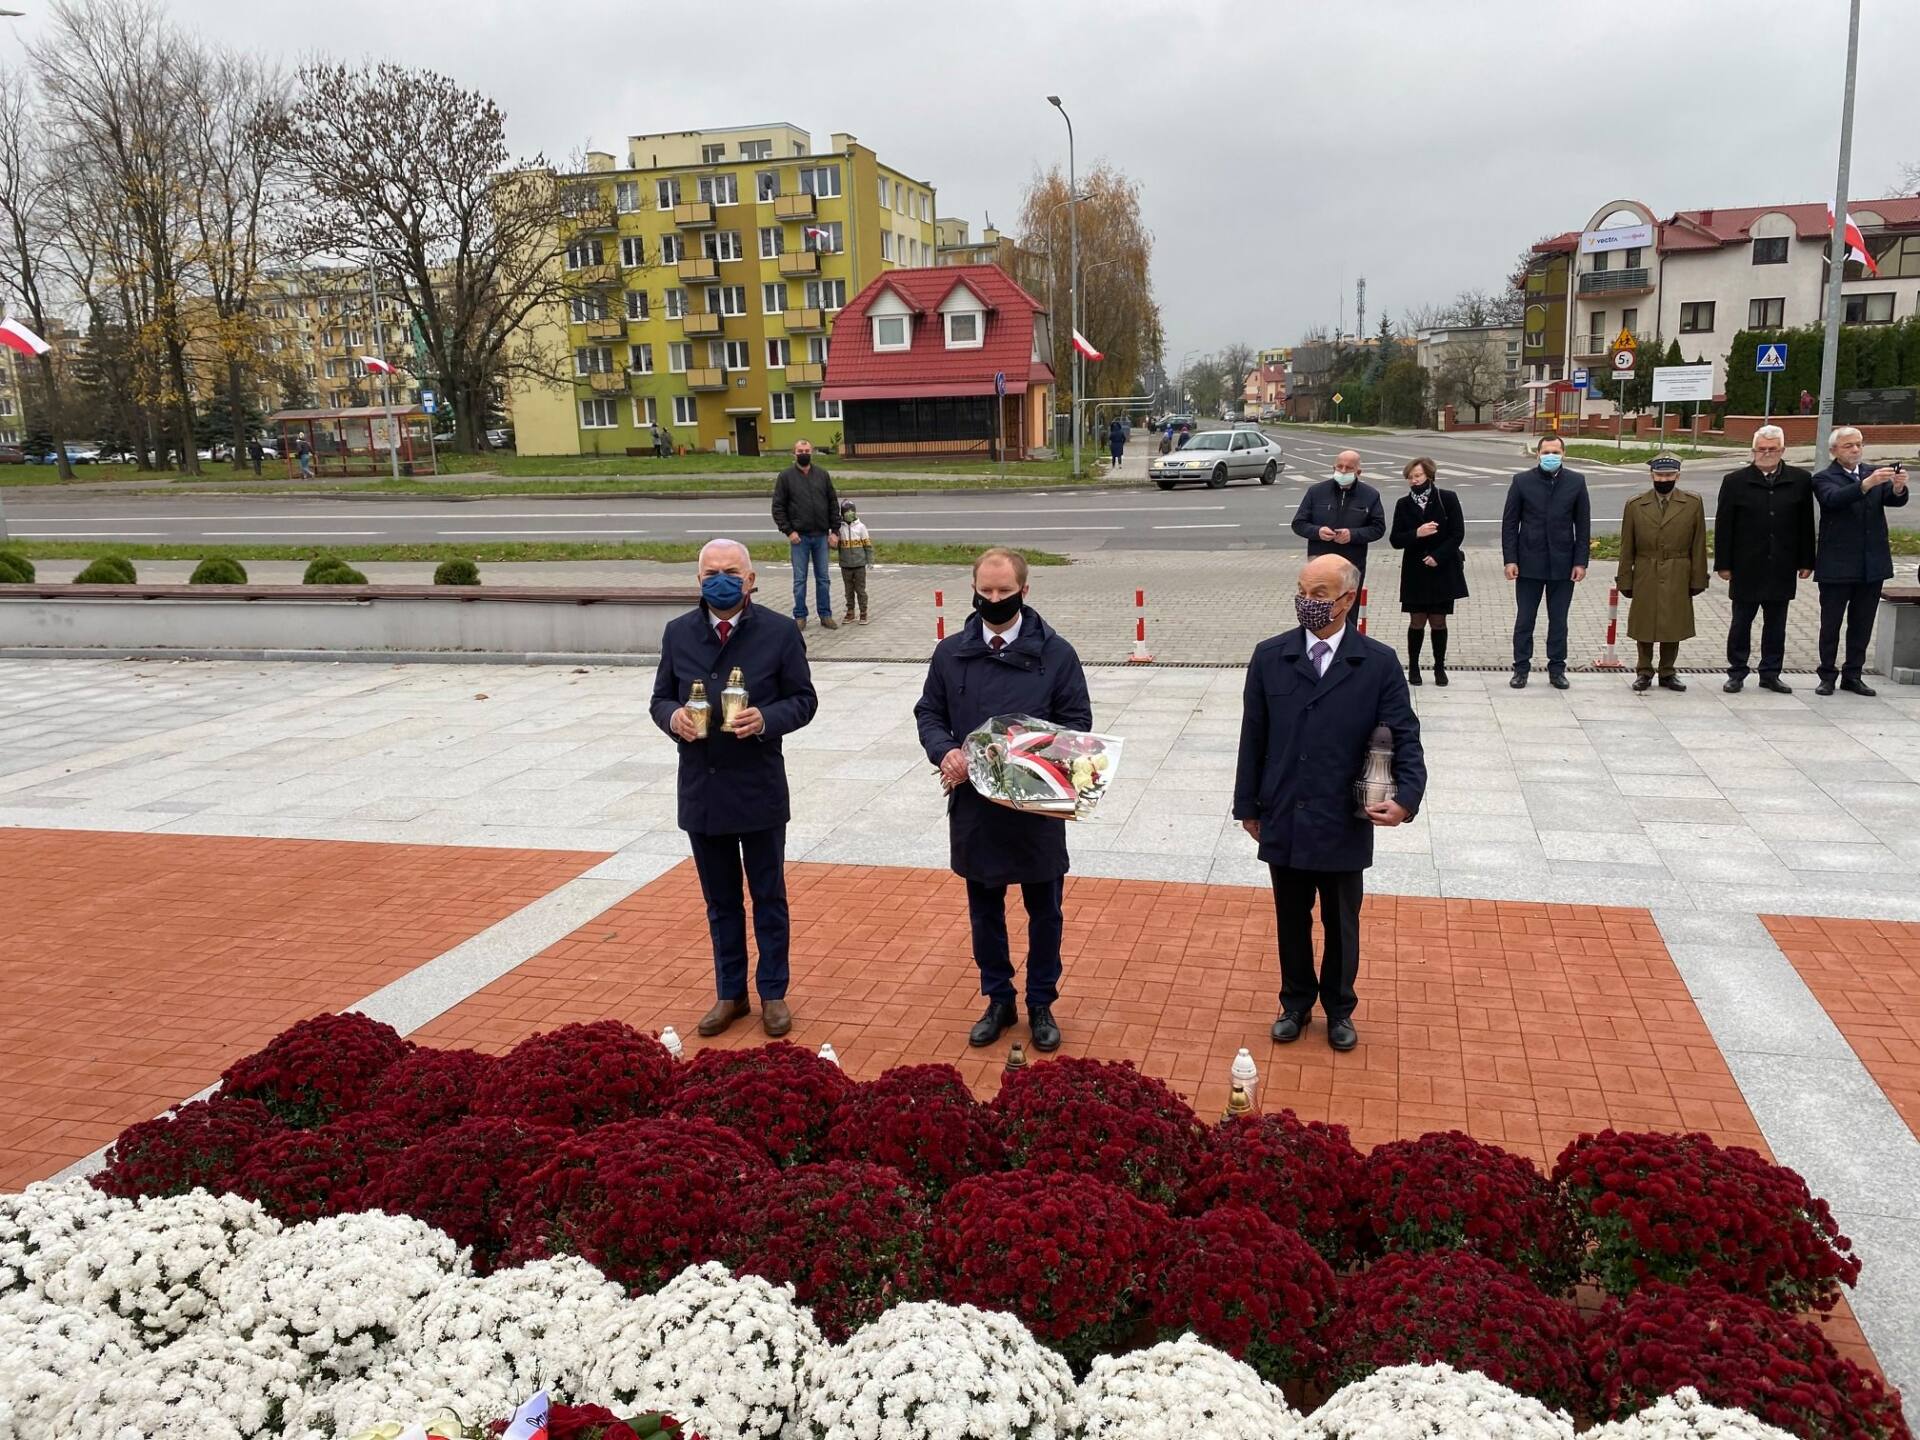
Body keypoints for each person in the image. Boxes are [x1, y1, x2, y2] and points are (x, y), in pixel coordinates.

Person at [1233, 555, 1425, 1053]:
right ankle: (1295, 1002)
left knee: (1342, 920)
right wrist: (1246, 805)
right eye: (1302, 590)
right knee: (1290, 917)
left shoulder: (1377, 662)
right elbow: (1253, 735)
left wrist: (1406, 798)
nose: (1308, 602)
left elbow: (1405, 735)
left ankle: (1339, 1008)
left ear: (1347, 600)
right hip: (1285, 811)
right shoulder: (1270, 655)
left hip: (1343, 814)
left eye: (1320, 593)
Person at [913, 547, 1092, 1054]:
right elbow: (928, 712)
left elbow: (1077, 722)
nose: (993, 600)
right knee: (984, 910)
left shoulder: (1055, 653)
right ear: (974, 590)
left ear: (1024, 592)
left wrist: (1019, 758)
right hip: (974, 807)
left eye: (1004, 592)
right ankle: (998, 997)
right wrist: (944, 750)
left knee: (1045, 910)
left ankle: (1040, 1002)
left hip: (1034, 805)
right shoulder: (951, 653)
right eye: (985, 591)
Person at [650, 538, 819, 1038]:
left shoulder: (780, 632)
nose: (719, 579)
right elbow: (659, 696)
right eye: (710, 572)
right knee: (720, 900)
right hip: (702, 788)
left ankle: (773, 993)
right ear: (698, 580)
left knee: (769, 896)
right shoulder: (678, 633)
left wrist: (767, 718)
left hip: (758, 786)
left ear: (750, 579)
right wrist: (673, 716)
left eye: (730, 571)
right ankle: (730, 993)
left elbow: (804, 700)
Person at [1715, 425, 1815, 694]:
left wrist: (1807, 561)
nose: (1767, 454)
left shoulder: (1800, 479)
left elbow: (1806, 523)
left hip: (1782, 563)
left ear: (1782, 451)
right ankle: (1736, 672)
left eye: (1772, 449)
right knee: (1741, 623)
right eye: (1762, 449)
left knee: (1776, 625)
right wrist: (1723, 564)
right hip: (1746, 563)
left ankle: (1770, 673)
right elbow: (1724, 525)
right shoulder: (1735, 481)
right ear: (1753, 451)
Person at [1811, 425, 1910, 696]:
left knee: (1862, 623)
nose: (1855, 449)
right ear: (1834, 451)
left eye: (1859, 444)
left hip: (1871, 563)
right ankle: (1827, 675)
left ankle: (1853, 674)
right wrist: (1866, 484)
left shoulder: (1870, 472)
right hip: (1837, 564)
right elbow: (1833, 500)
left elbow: (1892, 500)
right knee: (1831, 623)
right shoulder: (1823, 478)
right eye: (1848, 446)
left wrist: (1898, 488)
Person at [1501, 433, 1591, 689]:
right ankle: (1521, 668)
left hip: (1564, 565)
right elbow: (1510, 523)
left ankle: (1557, 669)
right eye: (1546, 452)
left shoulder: (1576, 481)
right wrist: (1510, 559)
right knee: (1525, 619)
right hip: (1529, 563)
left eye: (1556, 452)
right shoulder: (1521, 481)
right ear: (1538, 454)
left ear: (1563, 454)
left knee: (1559, 620)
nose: (1551, 456)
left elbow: (1582, 525)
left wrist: (1580, 562)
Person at [1617, 455, 1708, 693]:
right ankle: (1644, 671)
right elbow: (1627, 546)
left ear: (1677, 476)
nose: (1664, 479)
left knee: (1673, 621)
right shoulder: (1636, 504)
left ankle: (1668, 671)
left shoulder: (1692, 502)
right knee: (1644, 622)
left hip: (1679, 568)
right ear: (1652, 476)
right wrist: (1625, 578)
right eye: (1659, 475)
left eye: (1669, 475)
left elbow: (1698, 544)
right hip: (1646, 568)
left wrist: (1699, 578)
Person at [1387, 456, 1466, 686]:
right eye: (1410, 477)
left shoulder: (1447, 498)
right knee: (1417, 620)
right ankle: (1413, 667)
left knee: (1439, 621)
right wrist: (1417, 533)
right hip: (1415, 570)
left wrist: (1438, 557)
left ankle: (1439, 667)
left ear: (1429, 475)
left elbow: (1457, 533)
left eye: (1418, 476)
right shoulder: (1404, 504)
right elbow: (1395, 539)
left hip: (1442, 568)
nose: (1414, 480)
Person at [771, 438, 841, 631]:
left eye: (807, 450)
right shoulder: (785, 477)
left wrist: (835, 531)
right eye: (800, 451)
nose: (804, 453)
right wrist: (789, 531)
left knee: (824, 579)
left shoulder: (822, 475)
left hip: (821, 536)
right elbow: (778, 507)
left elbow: (833, 503)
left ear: (812, 452)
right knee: (800, 580)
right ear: (794, 454)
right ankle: (800, 616)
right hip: (799, 537)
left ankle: (825, 615)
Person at [1291, 449, 1388, 578]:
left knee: (1350, 598)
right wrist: (1318, 532)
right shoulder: (1316, 492)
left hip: (1351, 565)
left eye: (1348, 468)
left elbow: (1378, 528)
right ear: (1333, 468)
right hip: (1320, 564)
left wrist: (1352, 535)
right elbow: (1298, 524)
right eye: (1339, 467)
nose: (1343, 471)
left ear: (1358, 472)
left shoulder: (1370, 495)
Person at [835, 498, 872, 626]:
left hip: (859, 565)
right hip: (845, 565)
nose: (849, 514)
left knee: (860, 590)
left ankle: (863, 612)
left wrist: (869, 560)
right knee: (848, 590)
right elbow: (836, 546)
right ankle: (850, 611)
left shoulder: (861, 527)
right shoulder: (840, 528)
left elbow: (867, 545)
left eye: (852, 511)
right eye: (846, 512)